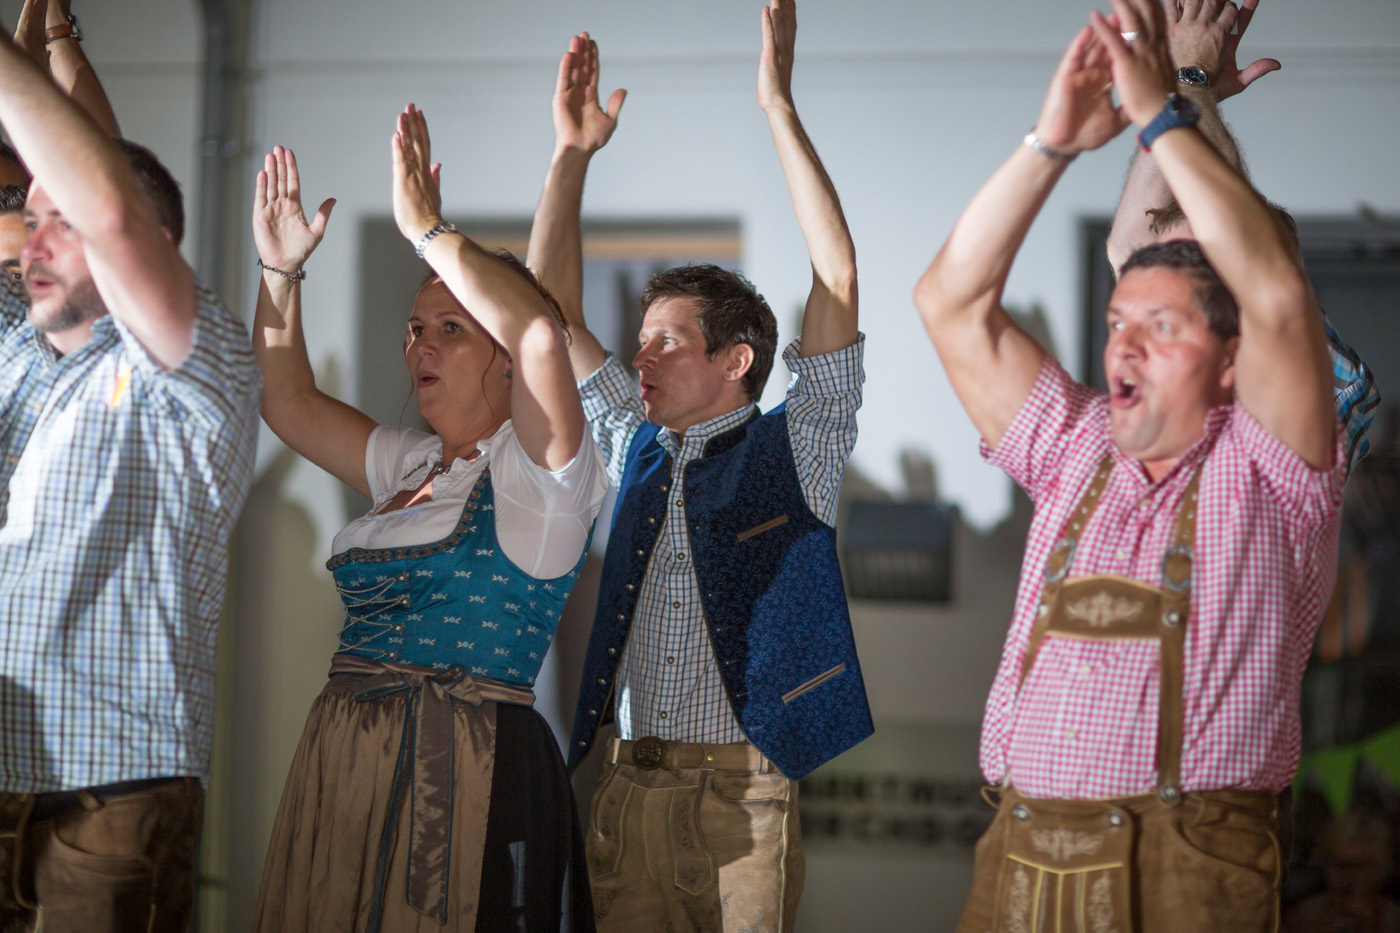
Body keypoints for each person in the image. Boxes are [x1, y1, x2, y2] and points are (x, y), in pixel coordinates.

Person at [913, 0, 1344, 929]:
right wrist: (1053, 144)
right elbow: (950, 301)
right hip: (1016, 851)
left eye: (1163, 325)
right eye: (1118, 322)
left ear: (1235, 359)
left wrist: (1168, 105)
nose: (1126, 346)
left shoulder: (1274, 468)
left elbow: (1268, 290)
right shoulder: (1073, 445)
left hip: (1187, 865)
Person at [527, 3, 872, 928]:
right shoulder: (631, 442)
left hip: (747, 795)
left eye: (667, 343)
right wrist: (571, 157)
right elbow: (548, 317)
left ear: (736, 360)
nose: (639, 360)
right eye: (639, 343)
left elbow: (835, 276)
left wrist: (777, 106)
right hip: (626, 786)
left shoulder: (797, 443)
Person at [250, 106, 607, 931]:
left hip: (465, 774)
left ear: (507, 358)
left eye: (452, 328)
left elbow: (547, 338)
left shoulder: (541, 477)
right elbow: (288, 399)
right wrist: (279, 273)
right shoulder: (413, 461)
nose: (421, 346)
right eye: (416, 328)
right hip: (346, 757)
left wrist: (428, 229)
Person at [0, 13, 260, 931]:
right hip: (12, 768)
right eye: (27, 222)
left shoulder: (191, 363)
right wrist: (51, 50)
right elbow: (85, 179)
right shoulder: (25, 355)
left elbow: (111, 201)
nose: (29, 244)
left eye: (54, 226)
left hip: (115, 788)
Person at [1105, 0, 1378, 470]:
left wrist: (1191, 80)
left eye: (1202, 260)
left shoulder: (1332, 390)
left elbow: (1250, 262)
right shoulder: (1155, 405)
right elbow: (1128, 249)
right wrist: (1182, 91)